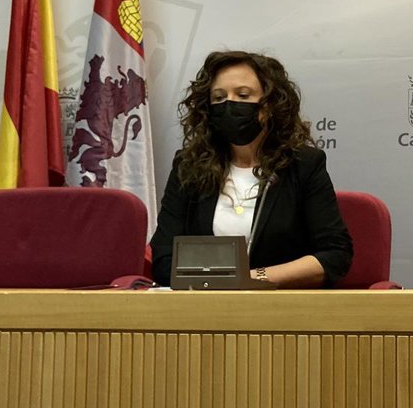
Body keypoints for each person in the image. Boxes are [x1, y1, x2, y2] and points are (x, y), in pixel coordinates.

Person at [150, 50, 352, 287]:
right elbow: (164, 257)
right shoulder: (189, 165)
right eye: (219, 97)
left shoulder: (302, 165)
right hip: (204, 302)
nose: (229, 104)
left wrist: (255, 277)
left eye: (243, 95)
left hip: (281, 302)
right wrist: (217, 283)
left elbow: (335, 254)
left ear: (269, 105)